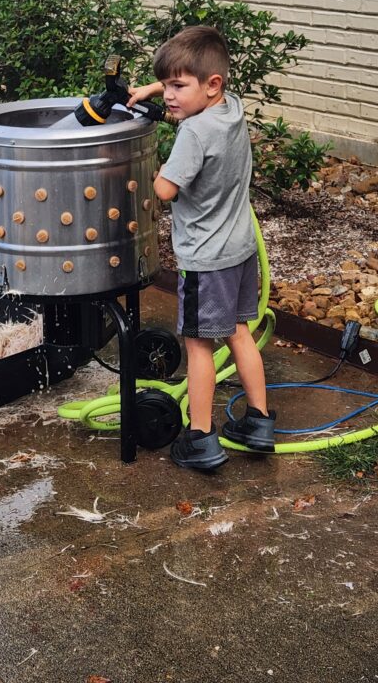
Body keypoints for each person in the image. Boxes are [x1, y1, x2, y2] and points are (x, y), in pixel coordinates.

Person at [128, 25, 275, 470]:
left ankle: (201, 438)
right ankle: (260, 423)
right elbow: (187, 87)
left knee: (198, 346)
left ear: (211, 86)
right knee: (239, 333)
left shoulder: (194, 134)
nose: (169, 97)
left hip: (206, 259)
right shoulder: (231, 108)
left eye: (178, 86)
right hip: (240, 250)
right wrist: (153, 87)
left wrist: (143, 167)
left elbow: (166, 190)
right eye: (168, 85)